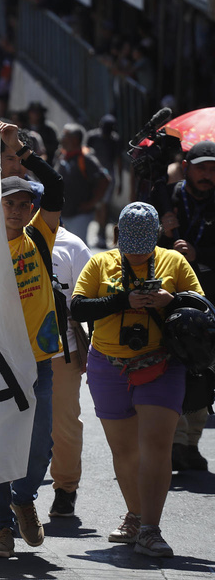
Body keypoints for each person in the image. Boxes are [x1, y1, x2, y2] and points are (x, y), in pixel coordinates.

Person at [71, 202, 203, 558]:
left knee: (156, 447)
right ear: (117, 236)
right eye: (130, 244)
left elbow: (202, 310)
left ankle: (150, 529)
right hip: (108, 365)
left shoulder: (175, 262)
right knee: (125, 452)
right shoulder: (101, 263)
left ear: (157, 236)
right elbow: (78, 307)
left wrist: (170, 299)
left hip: (162, 365)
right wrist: (123, 300)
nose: (138, 251)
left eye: (145, 244)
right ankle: (135, 514)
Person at [0, 121, 63, 559]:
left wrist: (20, 150)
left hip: (38, 361)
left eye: (23, 203)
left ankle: (25, 496)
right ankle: (0, 527)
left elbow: (54, 184)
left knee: (39, 447)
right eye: (7, 202)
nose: (15, 210)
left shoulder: (40, 236)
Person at [159, 140, 215, 471]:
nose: (208, 175)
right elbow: (134, 245)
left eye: (213, 169)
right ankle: (174, 443)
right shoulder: (167, 198)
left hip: (208, 307)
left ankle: (190, 444)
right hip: (168, 305)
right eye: (201, 167)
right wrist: (163, 235)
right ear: (185, 166)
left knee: (204, 376)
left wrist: (199, 256)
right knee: (170, 373)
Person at [48, 226, 93, 519]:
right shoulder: (2, 239)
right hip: (13, 350)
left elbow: (91, 301)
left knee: (63, 425)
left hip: (63, 352)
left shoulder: (74, 248)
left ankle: (65, 489)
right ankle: (16, 497)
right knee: (13, 426)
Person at [55, 123, 110, 245]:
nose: (61, 138)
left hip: (79, 215)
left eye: (65, 135)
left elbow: (105, 180)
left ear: (74, 139)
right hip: (62, 214)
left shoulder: (86, 158)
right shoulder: (62, 155)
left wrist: (92, 203)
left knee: (77, 248)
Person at [85, 115, 125, 248]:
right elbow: (86, 154)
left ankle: (101, 233)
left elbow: (118, 162)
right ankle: (99, 230)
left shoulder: (115, 140)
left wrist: (120, 182)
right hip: (93, 175)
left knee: (104, 205)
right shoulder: (92, 137)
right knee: (98, 204)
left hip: (108, 176)